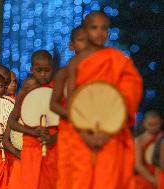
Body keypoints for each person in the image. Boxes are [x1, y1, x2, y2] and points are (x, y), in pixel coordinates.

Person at [61, 11, 143, 189]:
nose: (99, 33)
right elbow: (73, 102)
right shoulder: (76, 63)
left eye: (104, 28)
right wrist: (85, 134)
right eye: (94, 28)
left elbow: (130, 91)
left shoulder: (118, 60)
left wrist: (108, 130)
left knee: (109, 181)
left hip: (112, 133)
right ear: (85, 30)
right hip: (81, 135)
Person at [8, 50, 58, 189]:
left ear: (52, 69)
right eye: (38, 70)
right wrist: (33, 132)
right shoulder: (26, 90)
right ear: (31, 69)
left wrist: (54, 138)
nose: (43, 74)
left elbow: (68, 122)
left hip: (54, 147)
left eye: (47, 70)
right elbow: (12, 122)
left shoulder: (57, 90)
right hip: (31, 148)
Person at [50, 26, 88, 188]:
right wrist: (74, 116)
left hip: (95, 131)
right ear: (71, 45)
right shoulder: (64, 73)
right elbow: (54, 104)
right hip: (70, 132)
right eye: (81, 41)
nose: (86, 45)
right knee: (69, 179)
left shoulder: (103, 71)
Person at [4, 76, 40, 189]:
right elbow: (5, 141)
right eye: (26, 88)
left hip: (40, 160)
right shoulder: (16, 112)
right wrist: (19, 154)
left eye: (33, 88)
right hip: (20, 162)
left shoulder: (44, 110)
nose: (29, 92)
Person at [135, 111, 163, 189]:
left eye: (156, 124)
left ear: (161, 122)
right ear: (144, 123)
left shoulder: (162, 137)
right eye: (150, 125)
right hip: (146, 175)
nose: (153, 127)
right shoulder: (139, 141)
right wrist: (153, 180)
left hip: (161, 173)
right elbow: (138, 165)